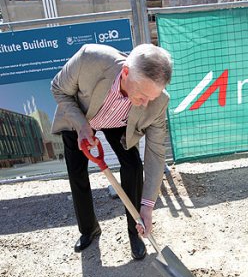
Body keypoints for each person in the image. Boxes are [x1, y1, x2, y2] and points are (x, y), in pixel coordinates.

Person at [51, 43, 172, 260]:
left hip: (118, 122)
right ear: (126, 72)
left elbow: (155, 152)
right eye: (142, 94)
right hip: (82, 115)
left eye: (151, 97)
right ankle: (89, 229)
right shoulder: (91, 59)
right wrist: (82, 126)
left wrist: (147, 207)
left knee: (133, 166)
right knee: (77, 171)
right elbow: (58, 89)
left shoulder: (158, 101)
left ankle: (135, 230)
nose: (145, 103)